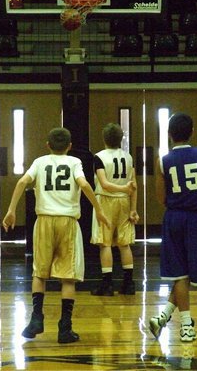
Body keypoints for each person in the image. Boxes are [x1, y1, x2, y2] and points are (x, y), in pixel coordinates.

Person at [2, 127, 110, 344]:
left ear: (48, 145)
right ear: (69, 147)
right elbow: (84, 184)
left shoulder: (40, 161)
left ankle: (36, 319)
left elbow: (23, 182)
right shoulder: (74, 163)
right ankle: (64, 328)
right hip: (67, 222)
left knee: (39, 274)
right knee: (68, 277)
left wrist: (11, 210)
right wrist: (98, 209)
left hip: (43, 221)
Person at [149, 112, 197, 342]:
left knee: (181, 274)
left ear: (169, 135)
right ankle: (186, 325)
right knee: (185, 275)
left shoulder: (163, 161)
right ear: (192, 132)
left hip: (175, 218)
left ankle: (163, 317)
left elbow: (161, 198)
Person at [90, 123, 139, 296]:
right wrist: (134, 208)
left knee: (105, 243)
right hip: (124, 202)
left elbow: (104, 184)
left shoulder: (99, 157)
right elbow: (134, 185)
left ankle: (107, 285)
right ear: (121, 139)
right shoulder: (129, 157)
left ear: (104, 138)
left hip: (106, 200)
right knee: (124, 244)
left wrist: (123, 189)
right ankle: (128, 283)